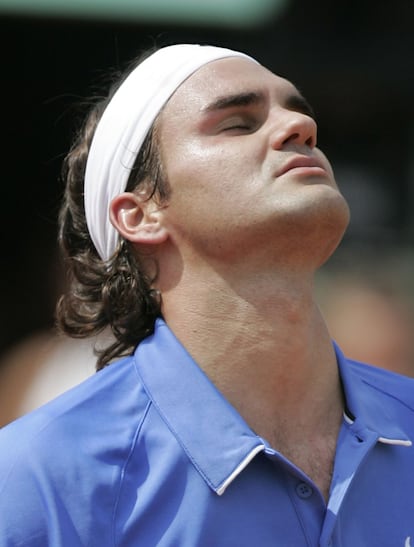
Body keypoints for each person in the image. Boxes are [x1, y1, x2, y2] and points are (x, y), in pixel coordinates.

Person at [0, 43, 413, 546]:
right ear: (140, 213)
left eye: (299, 114)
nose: (300, 129)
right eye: (238, 123)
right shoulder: (39, 474)